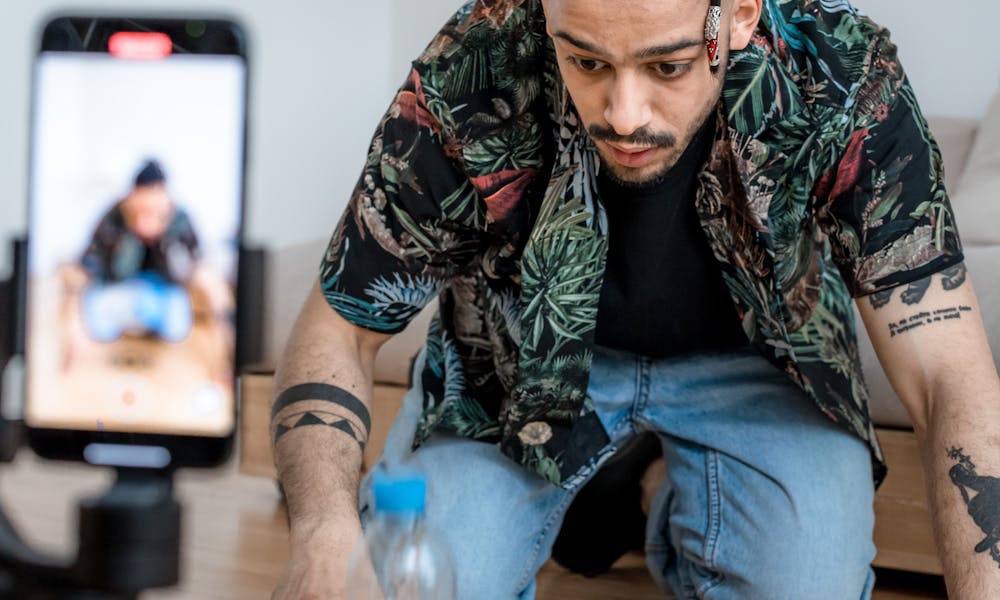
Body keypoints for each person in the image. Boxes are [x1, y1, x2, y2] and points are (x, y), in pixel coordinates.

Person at [271, 0, 1000, 597]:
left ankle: (650, 491)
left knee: (806, 585)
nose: (623, 114)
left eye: (667, 65)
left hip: (761, 370)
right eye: (586, 59)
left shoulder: (842, 74)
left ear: (739, 17)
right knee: (416, 584)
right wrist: (323, 534)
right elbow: (337, 329)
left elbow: (947, 374)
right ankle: (605, 477)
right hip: (520, 367)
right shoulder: (471, 66)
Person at [78, 159, 200, 342]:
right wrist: (131, 234)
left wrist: (163, 238)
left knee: (177, 322)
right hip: (120, 290)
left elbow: (183, 274)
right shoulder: (114, 216)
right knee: (98, 319)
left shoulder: (179, 218)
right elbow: (101, 267)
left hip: (162, 292)